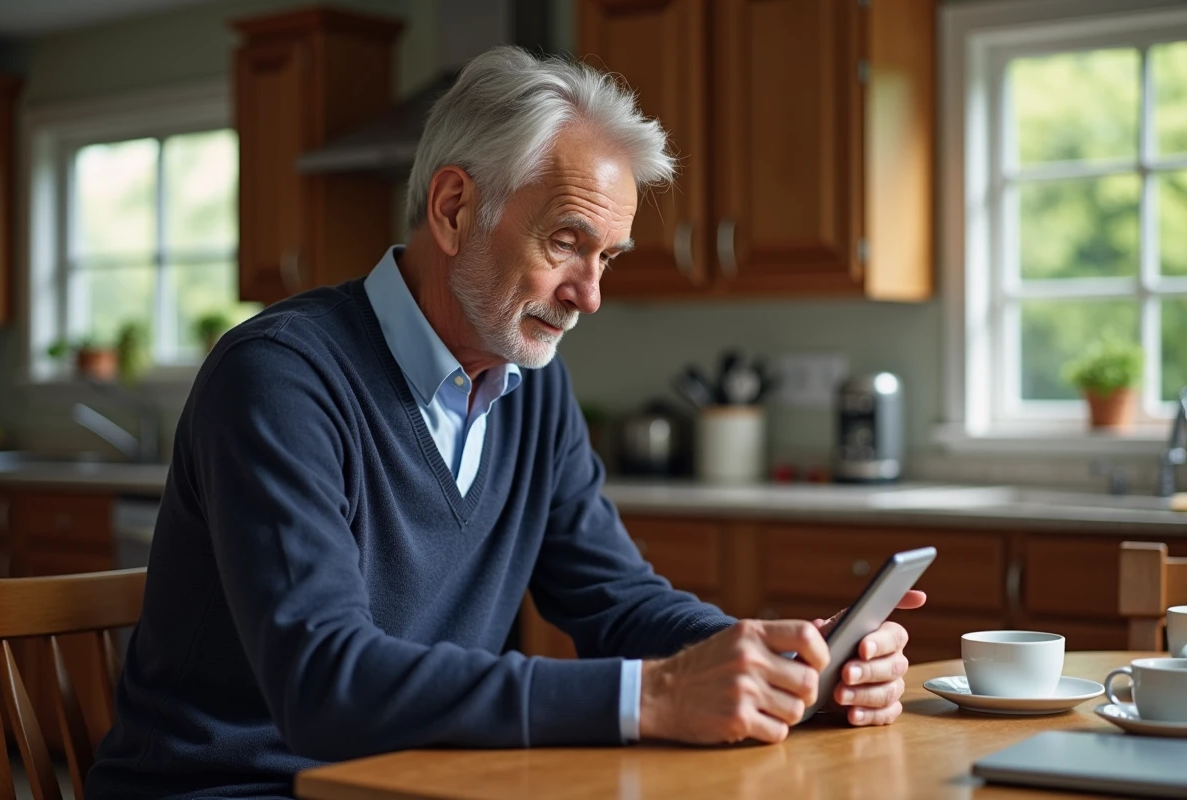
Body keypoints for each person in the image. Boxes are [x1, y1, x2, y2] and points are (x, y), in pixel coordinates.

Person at [85, 46, 925, 800]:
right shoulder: (279, 378)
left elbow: (615, 598)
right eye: (567, 241)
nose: (590, 295)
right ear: (453, 209)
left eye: (608, 260)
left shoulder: (532, 387)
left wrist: (776, 658)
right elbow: (322, 683)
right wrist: (659, 695)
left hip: (422, 783)